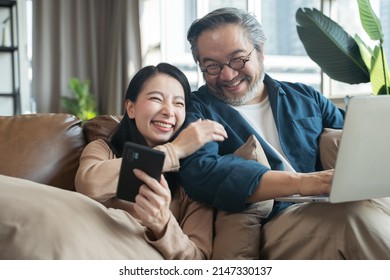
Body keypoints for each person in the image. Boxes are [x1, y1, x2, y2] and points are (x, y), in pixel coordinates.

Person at [178, 7, 390, 259]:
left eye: (238, 59)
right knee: (355, 219)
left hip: (328, 206)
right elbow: (202, 172)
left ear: (260, 51)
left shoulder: (304, 96)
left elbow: (357, 141)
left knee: (363, 211)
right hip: (271, 221)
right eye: (211, 66)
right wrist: (303, 183)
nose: (228, 74)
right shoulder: (196, 110)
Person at [75, 62, 227, 259]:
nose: (169, 111)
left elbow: (197, 260)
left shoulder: (193, 177)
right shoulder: (103, 150)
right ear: (130, 108)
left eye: (179, 103)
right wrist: (174, 150)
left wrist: (162, 223)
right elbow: (89, 185)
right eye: (156, 98)